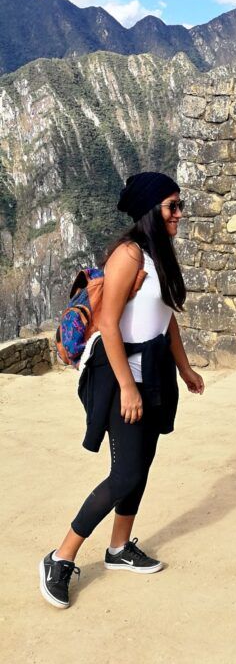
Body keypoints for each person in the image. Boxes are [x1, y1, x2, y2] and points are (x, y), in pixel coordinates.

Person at [39, 172, 205, 610]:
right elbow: (109, 323)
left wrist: (185, 369)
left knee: (141, 465)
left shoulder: (158, 254)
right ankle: (61, 556)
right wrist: (128, 388)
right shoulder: (128, 255)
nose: (180, 214)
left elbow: (166, 319)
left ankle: (118, 549)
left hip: (155, 372)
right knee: (125, 473)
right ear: (152, 210)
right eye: (173, 206)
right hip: (120, 375)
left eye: (179, 205)